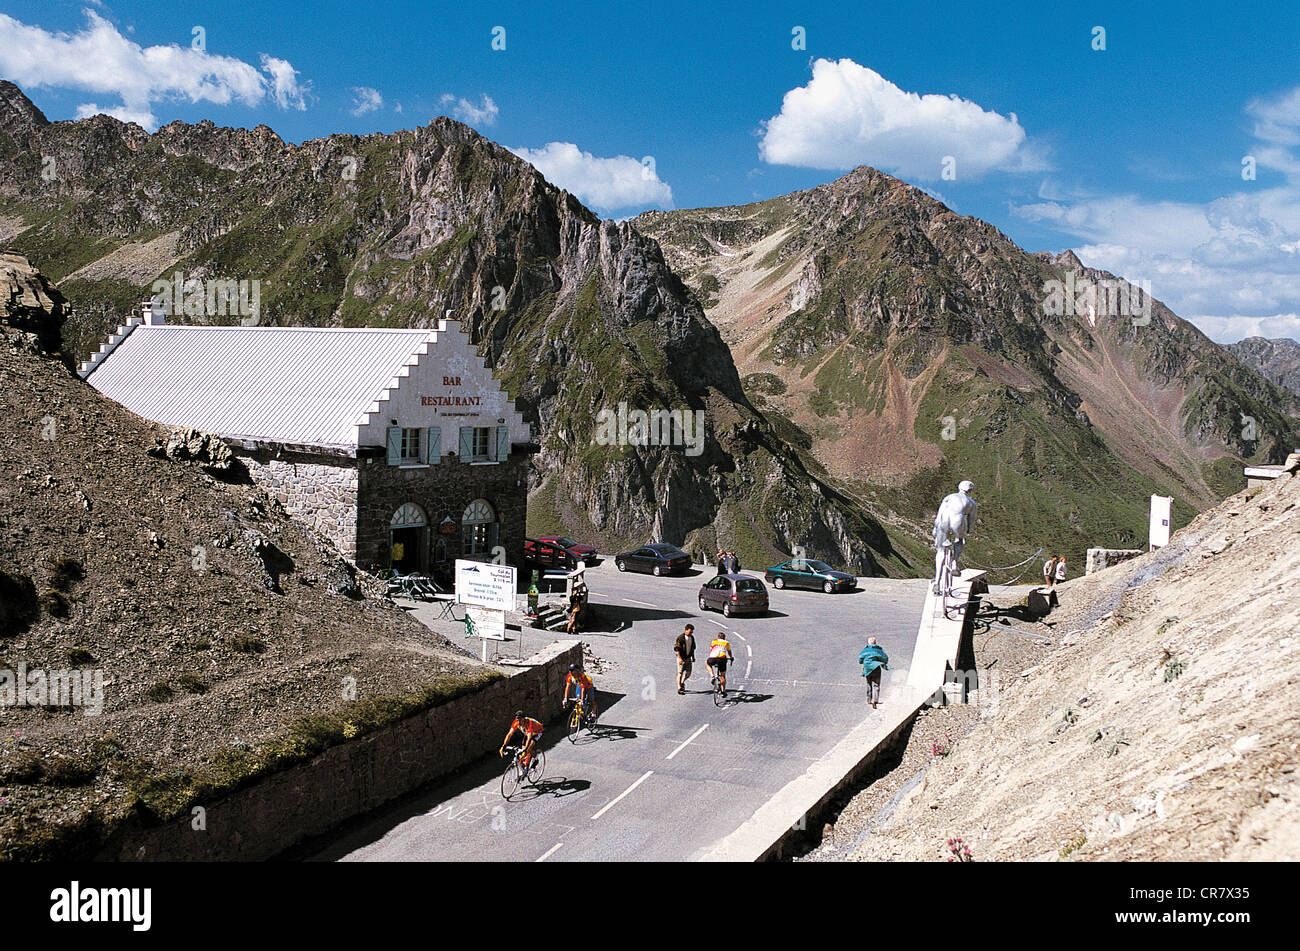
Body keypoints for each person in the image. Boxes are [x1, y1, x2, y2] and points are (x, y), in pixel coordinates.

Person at [858, 637, 889, 709]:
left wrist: (863, 662)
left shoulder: (865, 650)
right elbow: (885, 658)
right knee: (876, 685)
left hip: (867, 669)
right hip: (876, 669)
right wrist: (883, 663)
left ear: (868, 643)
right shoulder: (878, 650)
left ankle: (869, 699)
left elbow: (860, 659)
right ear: (875, 642)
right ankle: (875, 700)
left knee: (869, 683)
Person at [674, 624, 697, 694]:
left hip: (688, 658)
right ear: (686, 630)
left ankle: (682, 682)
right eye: (690, 632)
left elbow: (693, 648)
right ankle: (679, 688)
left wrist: (693, 657)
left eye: (692, 632)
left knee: (688, 673)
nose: (691, 633)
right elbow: (677, 649)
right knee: (680, 673)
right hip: (681, 658)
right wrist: (679, 659)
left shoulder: (692, 638)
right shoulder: (680, 638)